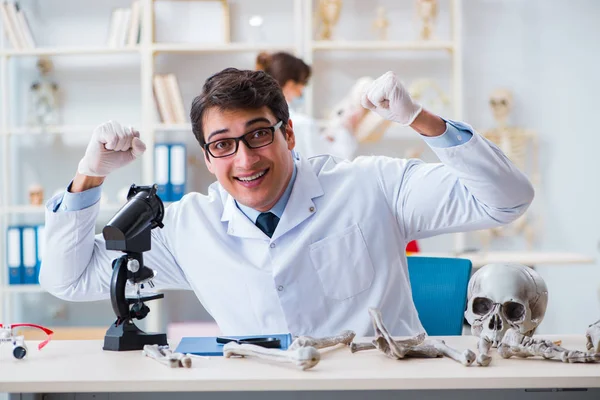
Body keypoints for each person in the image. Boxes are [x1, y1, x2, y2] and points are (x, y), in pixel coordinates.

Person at [39, 68, 534, 337]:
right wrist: (88, 179)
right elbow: (70, 278)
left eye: (258, 135)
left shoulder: (373, 185)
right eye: (222, 145)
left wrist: (423, 121)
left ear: (289, 133)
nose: (244, 159)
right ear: (208, 158)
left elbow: (507, 200)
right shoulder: (191, 227)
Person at [255, 51, 359, 159]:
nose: (302, 91)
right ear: (290, 85)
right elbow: (336, 161)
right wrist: (346, 130)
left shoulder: (259, 117)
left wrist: (320, 139)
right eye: (303, 83)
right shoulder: (302, 124)